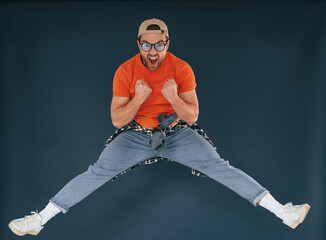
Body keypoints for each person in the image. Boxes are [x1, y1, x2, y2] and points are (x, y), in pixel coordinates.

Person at [8, 18, 310, 236]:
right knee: (97, 171)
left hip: (177, 133)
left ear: (167, 43)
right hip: (136, 136)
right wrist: (139, 99)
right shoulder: (126, 70)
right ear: (139, 43)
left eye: (159, 45)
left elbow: (191, 116)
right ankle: (39, 220)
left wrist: (171, 97)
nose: (153, 51)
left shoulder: (181, 68)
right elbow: (117, 120)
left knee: (221, 167)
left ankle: (284, 212)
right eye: (147, 45)